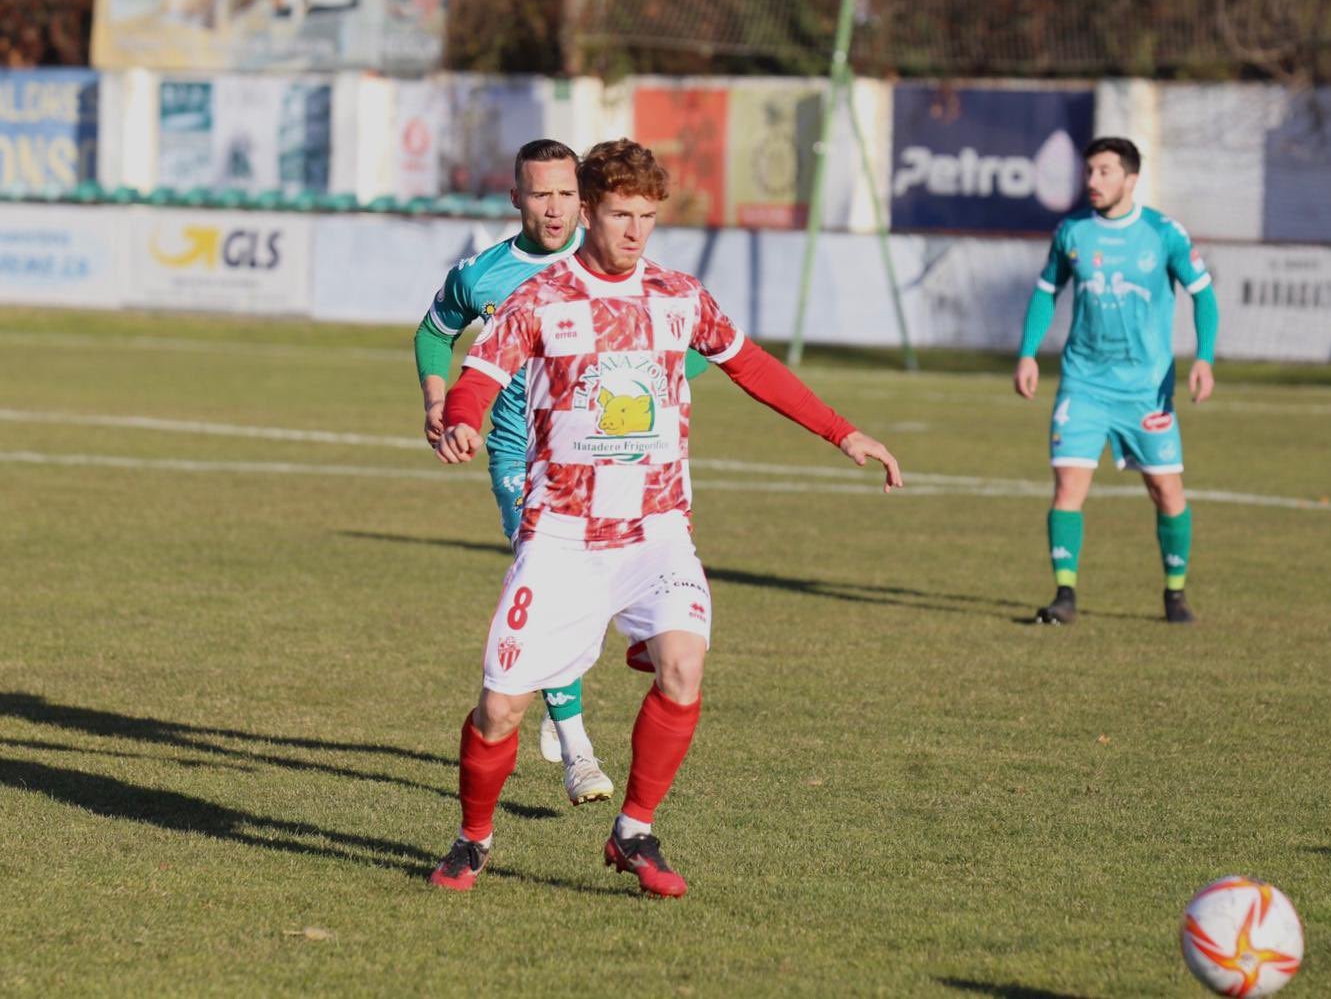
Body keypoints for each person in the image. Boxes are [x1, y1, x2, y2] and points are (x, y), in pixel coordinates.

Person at [427, 139, 901, 896]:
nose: (635, 231)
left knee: (683, 668)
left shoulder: (680, 296)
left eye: (648, 216)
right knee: (499, 709)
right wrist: (461, 418)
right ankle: (473, 839)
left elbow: (752, 365)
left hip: (657, 530)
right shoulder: (541, 300)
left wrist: (843, 431)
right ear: (588, 211)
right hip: (564, 535)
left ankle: (635, 832)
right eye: (620, 215)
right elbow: (479, 372)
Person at [415, 139, 712, 807]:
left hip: (610, 460)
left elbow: (693, 348)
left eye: (565, 194)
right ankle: (577, 748)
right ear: (515, 198)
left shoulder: (621, 270)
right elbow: (434, 335)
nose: (554, 209)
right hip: (522, 457)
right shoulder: (484, 276)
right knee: (543, 572)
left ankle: (627, 644)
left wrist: (655, 386)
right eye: (539, 194)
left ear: (585, 198)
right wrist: (441, 400)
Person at [1013, 136, 1218, 625]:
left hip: (1146, 389)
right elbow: (1046, 293)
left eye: (1104, 172)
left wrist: (1204, 358)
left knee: (1167, 493)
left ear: (1130, 178)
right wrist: (1027, 353)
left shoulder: (1163, 233)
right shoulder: (1072, 232)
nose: (1093, 181)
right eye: (1089, 172)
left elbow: (1204, 298)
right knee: (1068, 488)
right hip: (1082, 384)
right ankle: (1064, 595)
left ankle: (1174, 593)